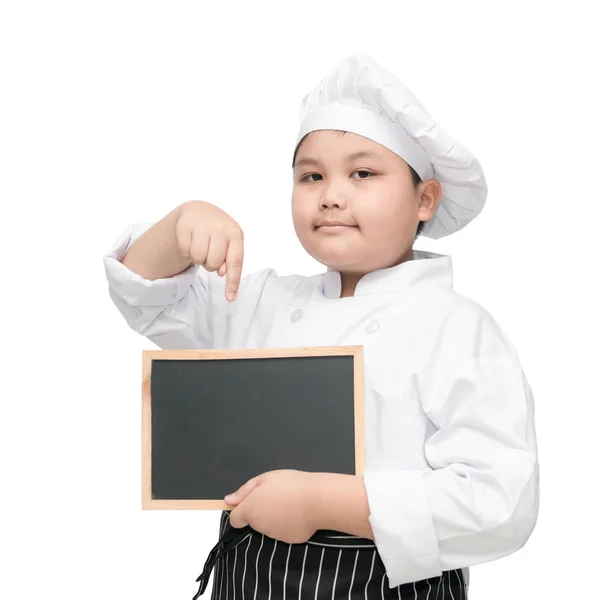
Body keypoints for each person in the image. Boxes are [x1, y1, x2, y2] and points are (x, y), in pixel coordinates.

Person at [103, 54, 540, 599]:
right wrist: (178, 226)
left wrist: (322, 504)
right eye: (311, 175)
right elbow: (150, 298)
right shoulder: (259, 299)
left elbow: (500, 502)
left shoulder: (457, 328)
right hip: (251, 574)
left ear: (425, 199)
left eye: (362, 173)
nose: (331, 193)